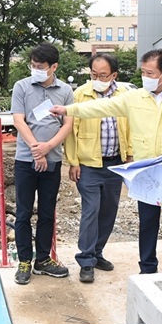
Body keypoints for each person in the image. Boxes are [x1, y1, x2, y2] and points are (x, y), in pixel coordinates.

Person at [52, 50, 162, 274]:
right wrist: (68, 109)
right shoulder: (134, 98)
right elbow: (99, 108)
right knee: (147, 224)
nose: (145, 77)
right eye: (143, 72)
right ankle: (147, 269)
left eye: (149, 72)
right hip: (146, 172)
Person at [63, 53, 133, 283]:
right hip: (88, 164)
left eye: (103, 75)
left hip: (116, 163)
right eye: (94, 74)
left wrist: (130, 155)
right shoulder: (80, 95)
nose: (98, 78)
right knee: (91, 209)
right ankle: (85, 259)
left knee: (109, 210)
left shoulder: (124, 95)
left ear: (114, 75)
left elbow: (130, 127)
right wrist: (73, 161)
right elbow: (71, 131)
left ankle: (97, 252)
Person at [11, 42, 74, 285]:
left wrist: (48, 148)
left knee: (48, 212)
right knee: (24, 212)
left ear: (54, 67)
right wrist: (37, 151)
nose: (35, 69)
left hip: (53, 161)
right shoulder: (22, 87)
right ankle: (25, 260)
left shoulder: (65, 91)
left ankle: (44, 259)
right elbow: (19, 121)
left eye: (40, 66)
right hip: (26, 160)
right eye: (33, 65)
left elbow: (67, 124)